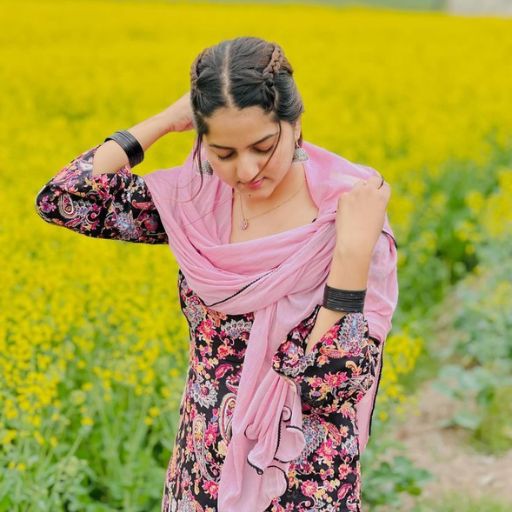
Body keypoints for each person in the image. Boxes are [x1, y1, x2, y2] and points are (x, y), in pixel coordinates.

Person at [35, 36, 398, 512]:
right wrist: (165, 121)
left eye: (263, 147)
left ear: (296, 124)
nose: (245, 170)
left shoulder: (345, 211)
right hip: (202, 463)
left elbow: (331, 385)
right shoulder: (197, 202)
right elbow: (65, 199)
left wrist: (351, 255)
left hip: (300, 477)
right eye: (223, 153)